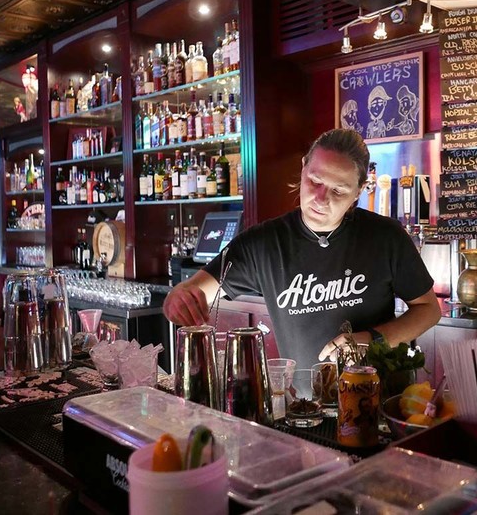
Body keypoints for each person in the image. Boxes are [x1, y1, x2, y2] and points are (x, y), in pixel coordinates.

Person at [163, 128, 441, 369]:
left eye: (339, 191)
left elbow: (429, 309)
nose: (321, 199)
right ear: (304, 167)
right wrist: (178, 297)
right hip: (305, 410)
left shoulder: (385, 237)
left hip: (379, 404)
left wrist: (369, 339)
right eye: (315, 182)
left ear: (359, 192)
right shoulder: (263, 244)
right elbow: (194, 290)